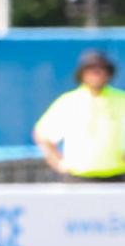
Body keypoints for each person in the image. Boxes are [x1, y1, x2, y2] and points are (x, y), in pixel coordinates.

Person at [32, 50, 125, 182]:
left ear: (109, 73)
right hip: (78, 178)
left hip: (118, 177)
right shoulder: (69, 101)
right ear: (82, 74)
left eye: (101, 69)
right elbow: (42, 135)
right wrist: (58, 163)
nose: (96, 73)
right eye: (91, 69)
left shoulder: (121, 100)